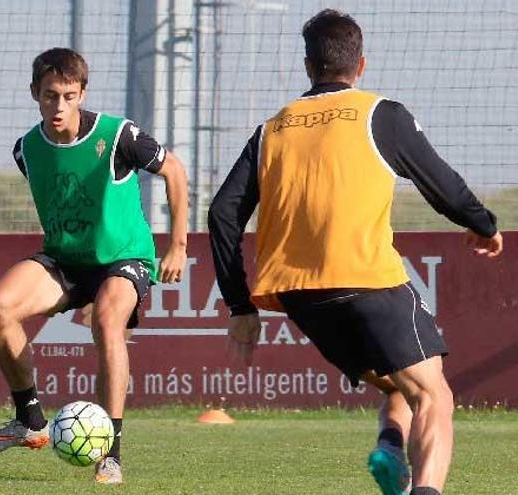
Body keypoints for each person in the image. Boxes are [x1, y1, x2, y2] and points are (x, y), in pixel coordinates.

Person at [208, 9, 502, 495]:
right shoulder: (378, 114)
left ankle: (390, 445)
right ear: (360, 65)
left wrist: (239, 306)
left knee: (397, 380)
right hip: (369, 280)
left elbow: (222, 214)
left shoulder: (272, 129)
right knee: (435, 395)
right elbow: (441, 184)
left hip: (302, 297)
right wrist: (483, 225)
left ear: (308, 67)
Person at [0, 47, 189, 484]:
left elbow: (175, 171)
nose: (59, 106)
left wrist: (177, 245)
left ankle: (111, 453)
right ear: (35, 93)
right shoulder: (26, 150)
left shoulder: (119, 135)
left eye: (69, 95)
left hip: (124, 258)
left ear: (83, 92)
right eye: (50, 95)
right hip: (67, 259)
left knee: (108, 321)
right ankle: (30, 420)